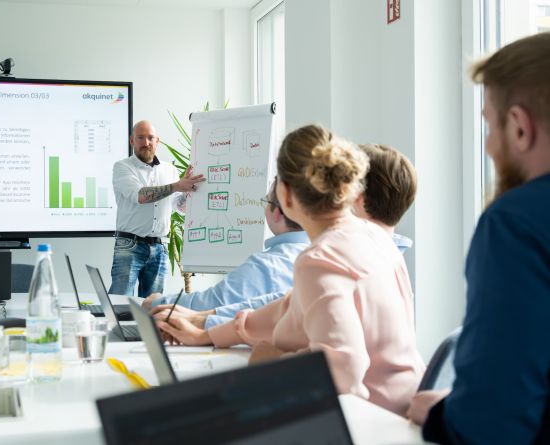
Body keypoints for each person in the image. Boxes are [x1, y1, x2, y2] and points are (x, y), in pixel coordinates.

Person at [158, 124, 425, 416]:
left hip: (370, 420)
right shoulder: (373, 236)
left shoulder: (321, 258)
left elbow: (343, 373)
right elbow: (289, 309)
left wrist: (273, 358)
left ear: (285, 195)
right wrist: (209, 333)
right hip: (399, 408)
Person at [407, 33, 550, 444]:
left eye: (489, 124)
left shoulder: (516, 224)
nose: (488, 145)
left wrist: (442, 414)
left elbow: (491, 425)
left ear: (520, 128)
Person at [153, 142, 418, 330]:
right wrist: (208, 321)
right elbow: (284, 305)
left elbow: (290, 314)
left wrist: (207, 323)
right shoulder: (388, 255)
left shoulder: (342, 257)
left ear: (354, 199)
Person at [141, 179, 309, 325]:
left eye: (267, 201)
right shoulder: (321, 257)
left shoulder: (267, 265)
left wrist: (158, 302)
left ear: (278, 213)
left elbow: (213, 304)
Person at [110, 120, 205, 297]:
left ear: (157, 141)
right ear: (132, 141)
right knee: (120, 303)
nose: (146, 142)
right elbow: (141, 195)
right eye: (140, 138)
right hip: (130, 245)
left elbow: (178, 206)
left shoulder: (169, 169)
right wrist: (177, 186)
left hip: (159, 247)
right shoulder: (122, 167)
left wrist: (188, 191)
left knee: (153, 308)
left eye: (150, 138)